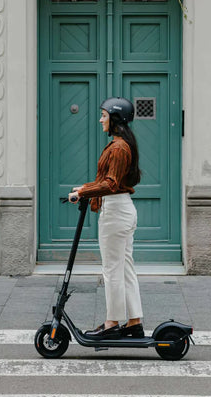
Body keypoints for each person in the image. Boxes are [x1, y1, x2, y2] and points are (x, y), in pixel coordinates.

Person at [68, 97, 144, 340]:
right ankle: (134, 321)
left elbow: (110, 185)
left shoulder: (119, 147)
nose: (101, 119)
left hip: (116, 213)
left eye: (104, 115)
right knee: (125, 268)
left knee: (112, 269)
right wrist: (85, 187)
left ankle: (112, 323)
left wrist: (82, 193)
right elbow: (109, 181)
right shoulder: (119, 145)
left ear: (115, 119)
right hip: (121, 210)